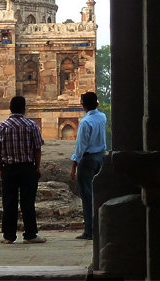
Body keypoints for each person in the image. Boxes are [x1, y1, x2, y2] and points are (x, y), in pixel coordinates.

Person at [0, 96, 46, 244]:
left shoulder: (2, 126)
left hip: (9, 168)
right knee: (28, 202)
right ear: (24, 109)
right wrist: (37, 167)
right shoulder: (31, 125)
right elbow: (37, 149)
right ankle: (30, 235)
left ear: (10, 109)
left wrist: (1, 169)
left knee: (9, 202)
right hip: (27, 168)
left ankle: (9, 236)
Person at [70, 91, 107, 241]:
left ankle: (89, 231)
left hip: (87, 160)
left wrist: (74, 165)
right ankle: (100, 227)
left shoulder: (85, 122)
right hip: (100, 157)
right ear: (97, 103)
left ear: (82, 105)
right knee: (99, 194)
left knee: (87, 196)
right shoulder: (102, 117)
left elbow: (80, 146)